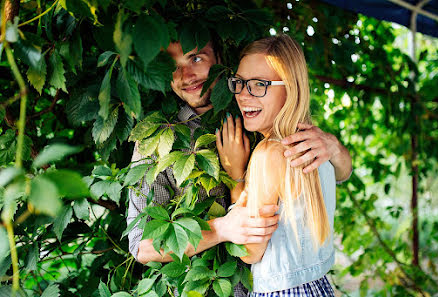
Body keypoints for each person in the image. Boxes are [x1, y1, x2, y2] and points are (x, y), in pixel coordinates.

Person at [127, 37, 351, 295]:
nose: (185, 75)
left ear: (220, 61)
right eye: (171, 65)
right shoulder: (153, 142)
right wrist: (220, 229)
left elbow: (337, 173)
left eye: (196, 58)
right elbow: (142, 246)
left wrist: (334, 147)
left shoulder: (262, 117)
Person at [217, 34, 338, 296]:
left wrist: (236, 178)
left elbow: (249, 251)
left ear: (291, 88)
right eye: (239, 83)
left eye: (259, 84)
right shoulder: (318, 147)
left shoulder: (269, 154)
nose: (243, 95)